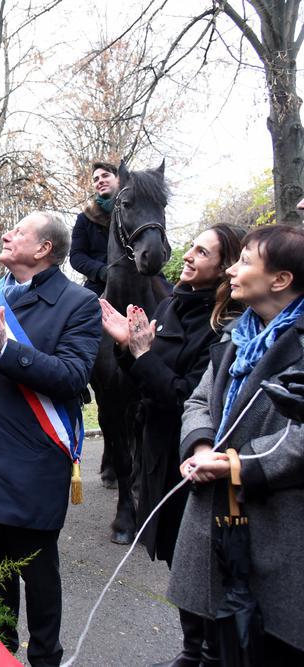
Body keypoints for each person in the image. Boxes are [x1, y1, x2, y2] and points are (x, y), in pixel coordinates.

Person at [0, 212, 102, 666]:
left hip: (31, 466)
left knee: (38, 575)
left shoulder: (78, 303)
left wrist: (8, 350)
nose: (6, 236)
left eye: (19, 232)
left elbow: (73, 377)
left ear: (45, 249)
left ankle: (46, 657)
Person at [100, 224, 245, 667]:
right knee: (173, 555)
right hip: (157, 450)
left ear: (224, 268)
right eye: (192, 247)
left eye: (202, 252)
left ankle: (206, 654)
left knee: (200, 564)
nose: (187, 255)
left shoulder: (224, 324)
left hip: (192, 456)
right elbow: (139, 380)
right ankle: (190, 650)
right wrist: (127, 349)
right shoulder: (169, 303)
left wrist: (142, 356)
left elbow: (187, 397)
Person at [169, 224, 304, 664]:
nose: (232, 269)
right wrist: (201, 448)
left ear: (280, 280)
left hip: (278, 527)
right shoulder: (237, 335)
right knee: (219, 637)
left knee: (269, 646)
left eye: (245, 261)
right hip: (216, 518)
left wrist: (238, 465)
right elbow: (197, 401)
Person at [70, 161, 118, 295]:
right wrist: (101, 271)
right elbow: (76, 256)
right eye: (96, 179)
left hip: (139, 278)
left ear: (118, 179)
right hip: (100, 284)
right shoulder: (85, 218)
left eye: (105, 176)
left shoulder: (135, 211)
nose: (100, 181)